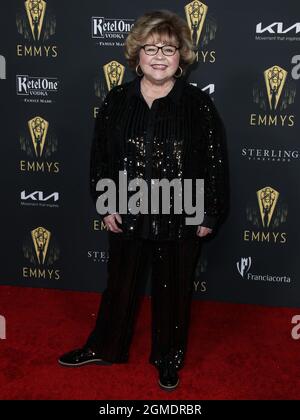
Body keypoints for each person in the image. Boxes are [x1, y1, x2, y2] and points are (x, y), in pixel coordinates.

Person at [58, 9, 229, 392]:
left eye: (168, 49)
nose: (158, 56)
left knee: (174, 290)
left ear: (180, 58)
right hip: (128, 207)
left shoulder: (198, 105)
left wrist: (209, 212)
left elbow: (215, 161)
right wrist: (105, 203)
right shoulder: (118, 100)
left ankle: (168, 359)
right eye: (150, 48)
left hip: (181, 211)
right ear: (136, 55)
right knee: (119, 284)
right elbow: (101, 155)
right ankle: (105, 346)